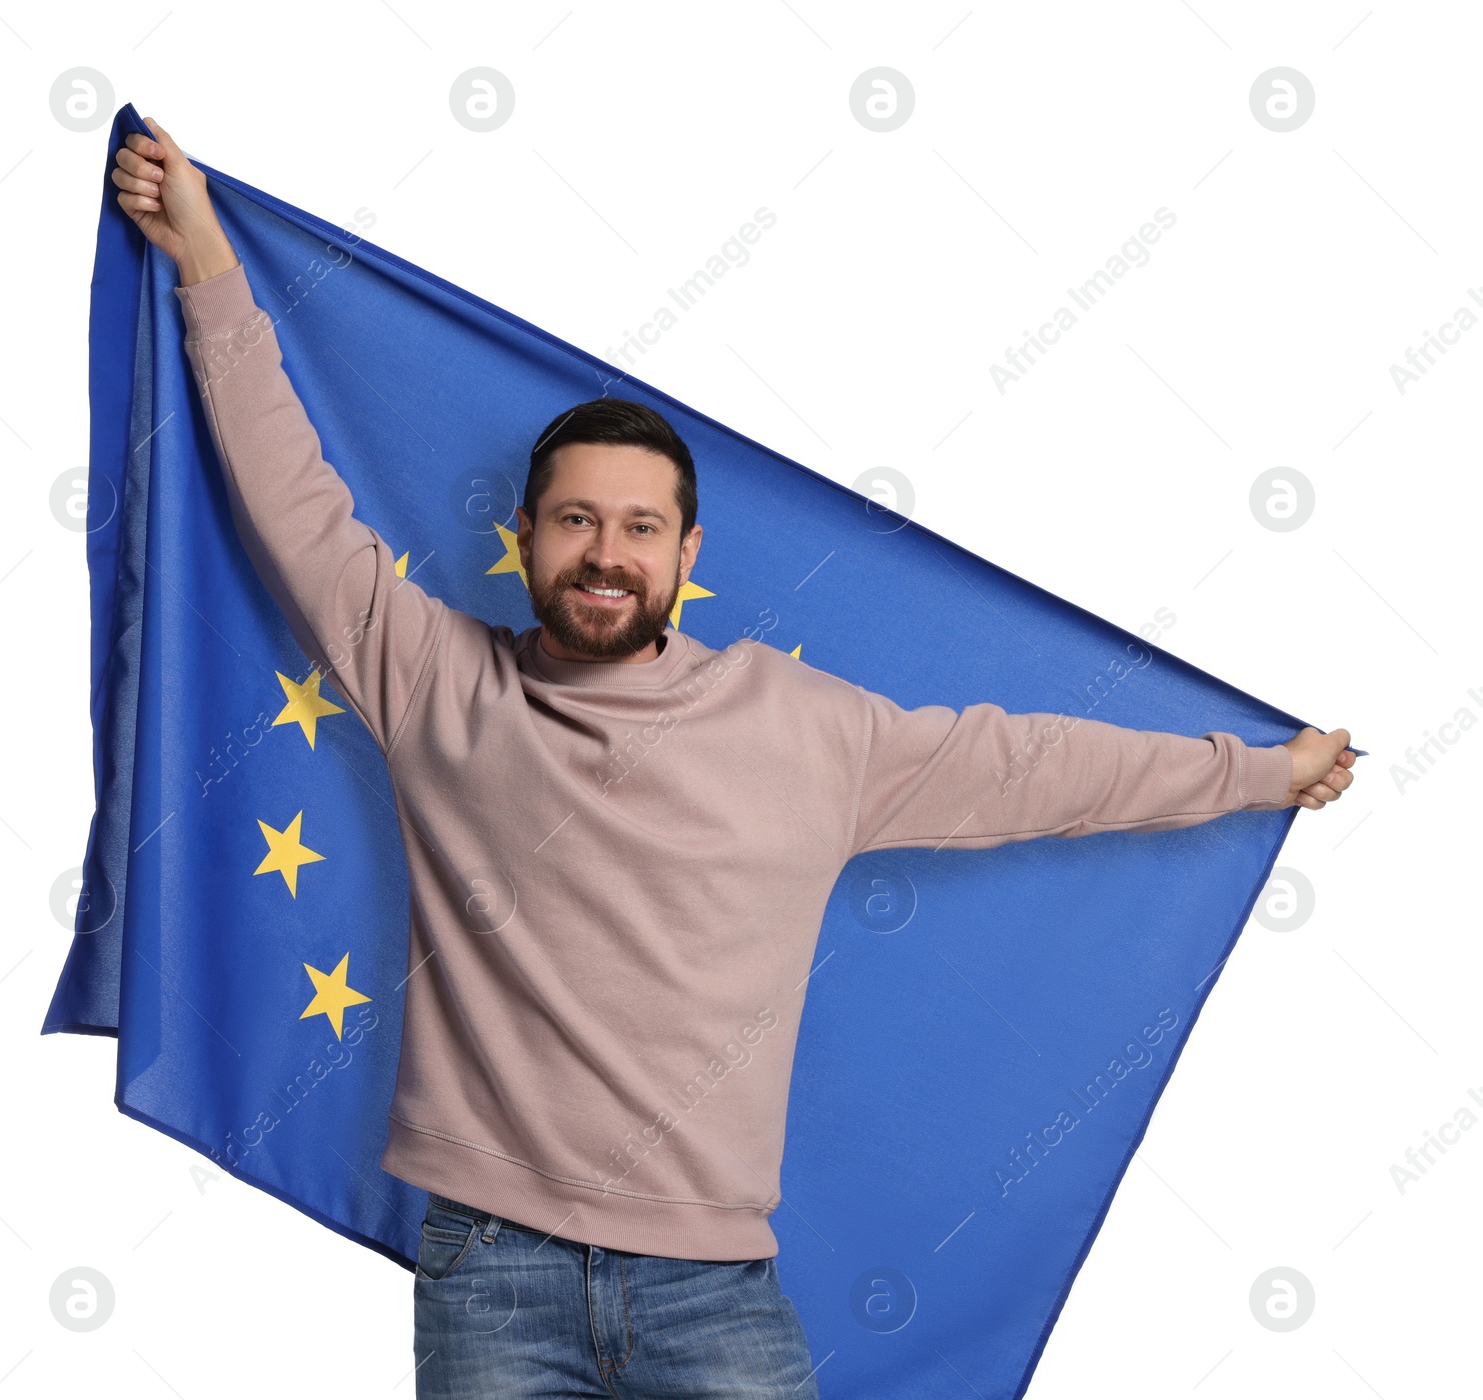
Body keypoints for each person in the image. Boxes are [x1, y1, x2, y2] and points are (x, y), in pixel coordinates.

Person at [110, 117, 1356, 1399]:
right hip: (488, 1271)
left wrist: (1258, 770)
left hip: (714, 1288)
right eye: (577, 520)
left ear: (687, 556)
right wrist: (208, 259)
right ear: (526, 537)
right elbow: (294, 506)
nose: (607, 552)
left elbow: (1033, 764)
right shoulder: (437, 681)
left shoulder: (806, 727)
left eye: (639, 527)